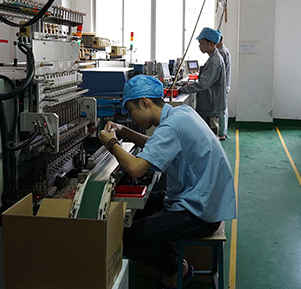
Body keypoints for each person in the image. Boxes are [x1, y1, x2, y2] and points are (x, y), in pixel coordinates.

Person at [99, 75, 237, 288]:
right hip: (198, 198)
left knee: (126, 238)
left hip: (200, 213)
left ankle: (175, 269)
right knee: (138, 211)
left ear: (144, 102)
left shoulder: (171, 126)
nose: (131, 117)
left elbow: (135, 169)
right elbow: (154, 143)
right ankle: (172, 261)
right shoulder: (181, 113)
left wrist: (112, 144)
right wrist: (122, 130)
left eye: (131, 110)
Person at [179, 27, 226, 135]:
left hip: (210, 106)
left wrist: (183, 89)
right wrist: (190, 84)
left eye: (202, 43)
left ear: (211, 43)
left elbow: (203, 84)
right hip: (210, 104)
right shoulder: (213, 58)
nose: (200, 46)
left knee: (210, 135)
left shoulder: (214, 61)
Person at [216, 32, 231, 141]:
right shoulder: (225, 50)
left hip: (222, 85)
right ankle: (224, 131)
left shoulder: (221, 52)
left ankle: (221, 133)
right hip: (226, 85)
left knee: (221, 109)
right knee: (224, 109)